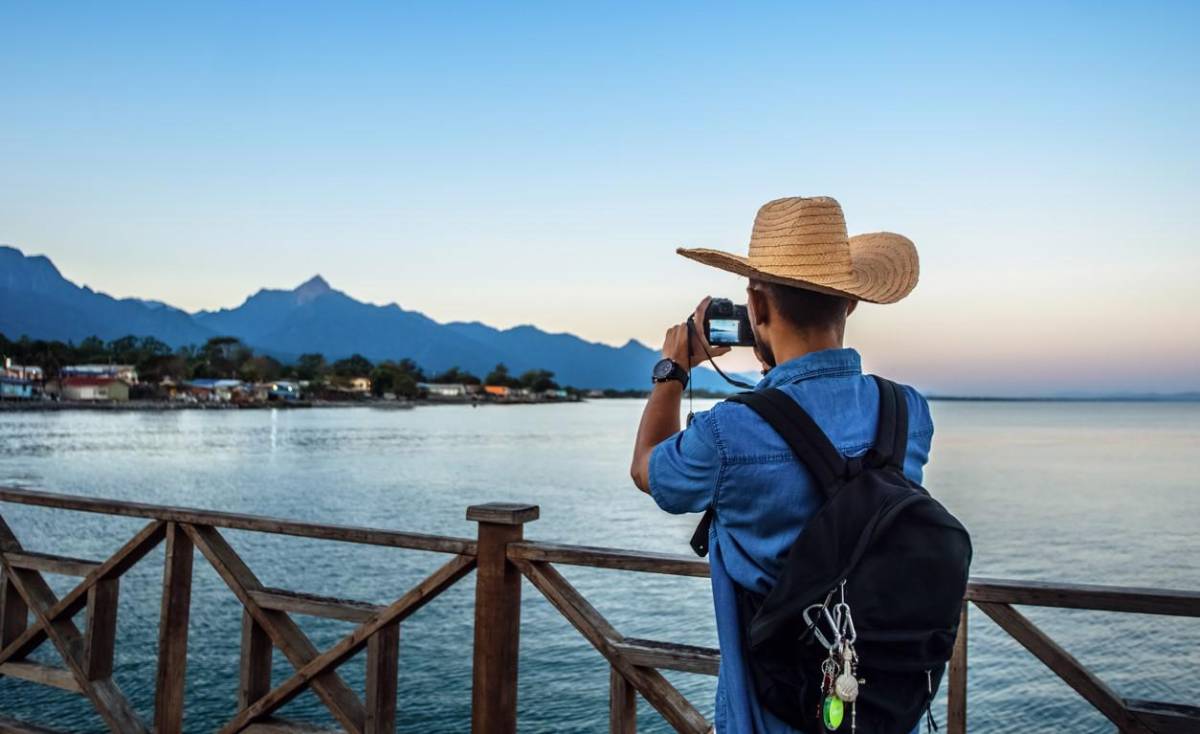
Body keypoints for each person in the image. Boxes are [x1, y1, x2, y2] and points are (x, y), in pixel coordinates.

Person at [630, 196, 934, 733]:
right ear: (851, 304)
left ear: (756, 306)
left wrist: (673, 369)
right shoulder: (907, 411)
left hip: (771, 718)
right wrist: (778, 361)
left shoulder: (731, 432)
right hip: (880, 711)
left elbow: (650, 470)